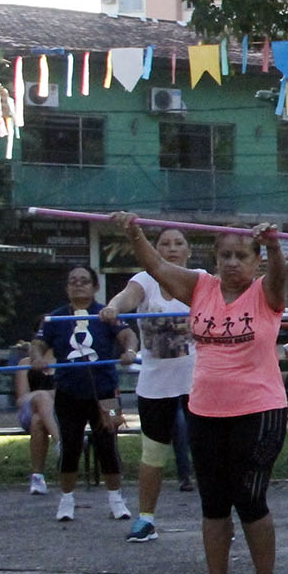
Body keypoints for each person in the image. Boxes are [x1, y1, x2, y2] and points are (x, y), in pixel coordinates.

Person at [114, 212, 288, 574]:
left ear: (256, 260)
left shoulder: (266, 291)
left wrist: (276, 245)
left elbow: (280, 277)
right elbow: (156, 266)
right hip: (206, 409)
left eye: (241, 255)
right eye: (225, 255)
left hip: (259, 409)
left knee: (249, 497)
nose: (232, 263)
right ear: (214, 259)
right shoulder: (201, 288)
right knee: (213, 501)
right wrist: (134, 233)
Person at [100, 227, 204, 542]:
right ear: (154, 250)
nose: (172, 249)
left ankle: (219, 519)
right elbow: (127, 296)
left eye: (178, 243)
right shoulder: (146, 279)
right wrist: (115, 308)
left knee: (208, 454)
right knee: (153, 454)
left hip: (197, 383)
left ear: (188, 250)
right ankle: (145, 520)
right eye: (164, 244)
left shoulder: (199, 278)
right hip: (155, 386)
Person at [36, 265, 139, 523]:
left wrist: (129, 352)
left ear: (95, 287)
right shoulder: (55, 318)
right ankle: (66, 499)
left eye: (84, 281)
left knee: (109, 445)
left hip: (106, 394)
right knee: (70, 446)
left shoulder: (106, 314)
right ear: (67, 288)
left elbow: (128, 336)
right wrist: (38, 358)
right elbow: (37, 344)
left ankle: (117, 500)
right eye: (73, 281)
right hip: (68, 394)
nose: (78, 285)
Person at [12, 341, 61, 497]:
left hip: (60, 413)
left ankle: (37, 478)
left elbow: (68, 393)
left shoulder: (66, 362)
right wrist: (44, 396)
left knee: (38, 420)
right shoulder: (25, 364)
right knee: (41, 398)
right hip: (28, 409)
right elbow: (21, 399)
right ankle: (60, 442)